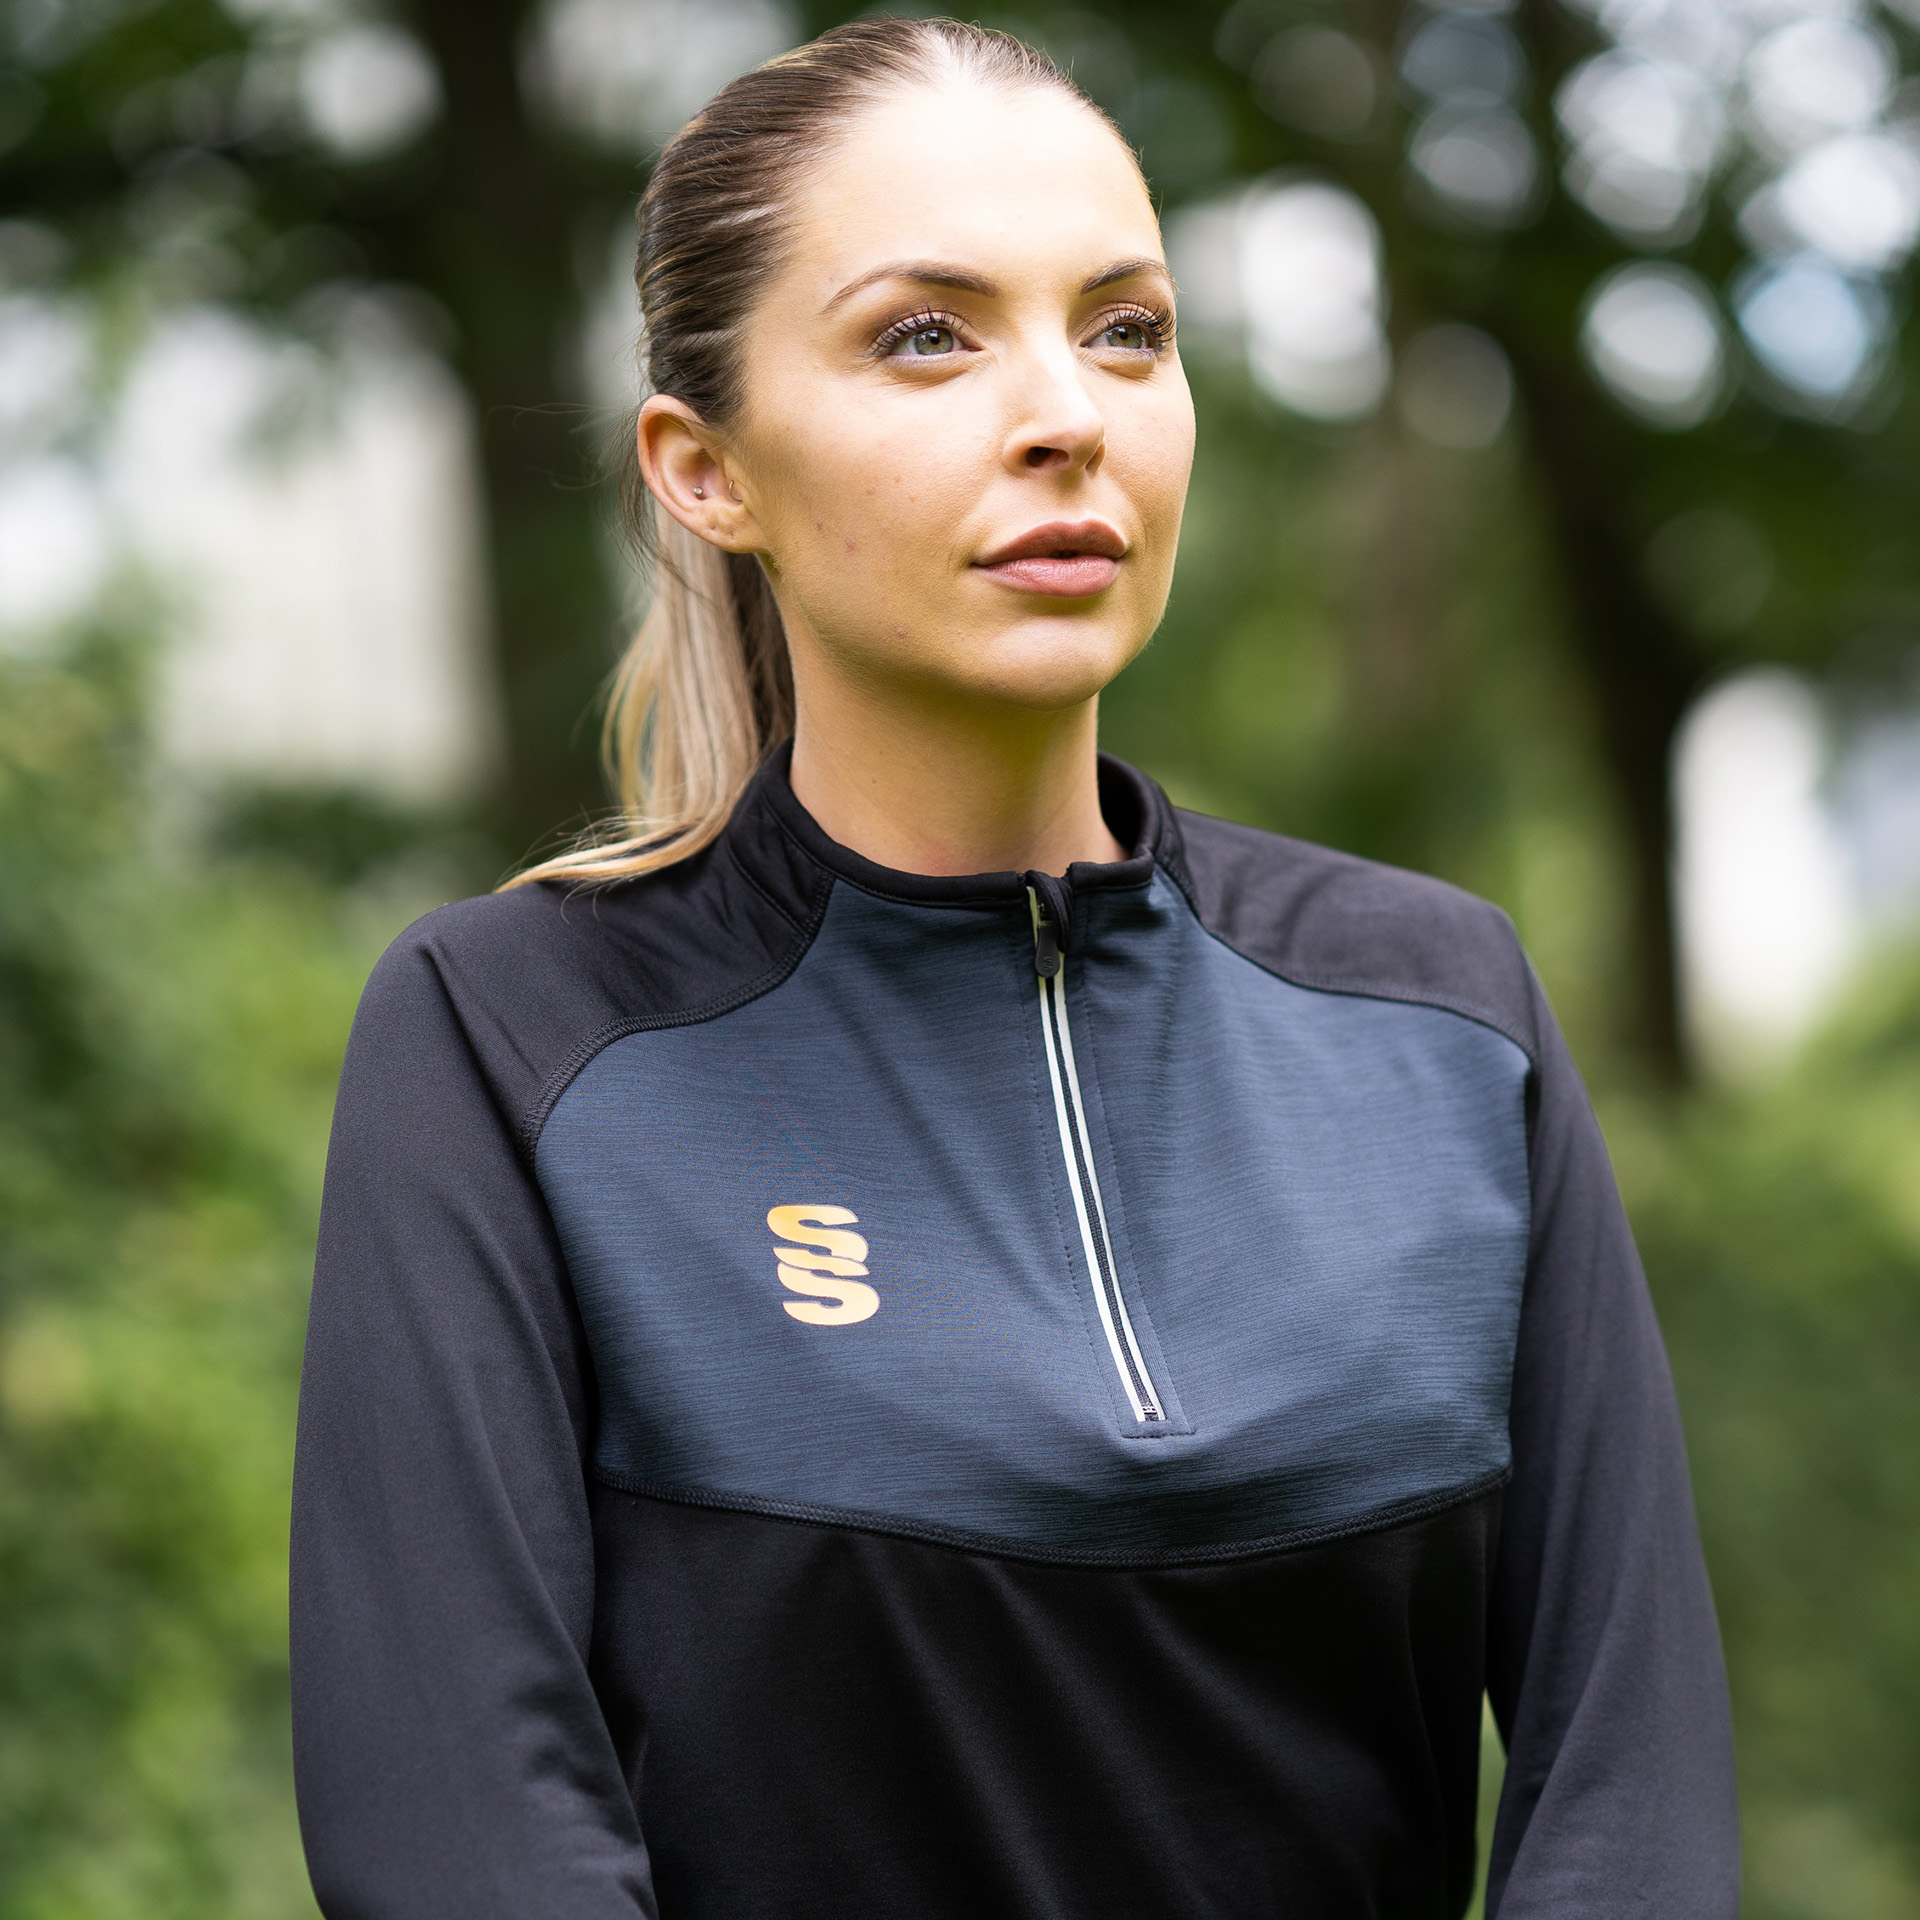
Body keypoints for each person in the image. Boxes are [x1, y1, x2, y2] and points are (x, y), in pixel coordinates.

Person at [289, 18, 1739, 1918]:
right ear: (705, 470)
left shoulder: (1442, 1009)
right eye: (927, 335)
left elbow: (1632, 1799)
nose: (1068, 414)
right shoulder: (515, 1035)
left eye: (1127, 329)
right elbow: (463, 1841)